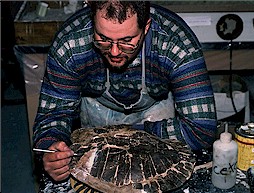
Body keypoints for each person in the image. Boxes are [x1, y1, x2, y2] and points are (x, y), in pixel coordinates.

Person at [33, 1, 217, 192]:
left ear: (146, 27)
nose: (114, 51)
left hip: (155, 117)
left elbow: (201, 129)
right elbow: (53, 115)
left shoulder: (177, 43)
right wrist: (52, 148)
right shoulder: (69, 44)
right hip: (98, 117)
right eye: (103, 38)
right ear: (92, 20)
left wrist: (130, 136)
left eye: (127, 40)